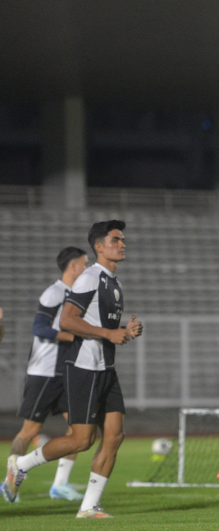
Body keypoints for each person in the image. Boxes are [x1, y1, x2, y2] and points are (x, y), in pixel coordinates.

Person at [6, 220, 143, 518]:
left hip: (106, 367)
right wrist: (109, 334)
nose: (122, 244)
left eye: (123, 239)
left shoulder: (112, 281)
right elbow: (67, 320)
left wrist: (123, 330)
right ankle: (21, 465)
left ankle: (89, 506)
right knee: (82, 439)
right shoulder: (89, 278)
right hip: (84, 367)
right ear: (99, 247)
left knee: (115, 435)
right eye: (116, 240)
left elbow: (96, 326)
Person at [2, 247, 87, 503]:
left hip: (67, 373)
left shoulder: (77, 296)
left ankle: (60, 485)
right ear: (73, 266)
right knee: (29, 430)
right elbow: (39, 328)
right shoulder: (54, 293)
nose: (86, 268)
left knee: (79, 430)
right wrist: (73, 335)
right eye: (84, 264)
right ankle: (10, 481)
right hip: (44, 373)